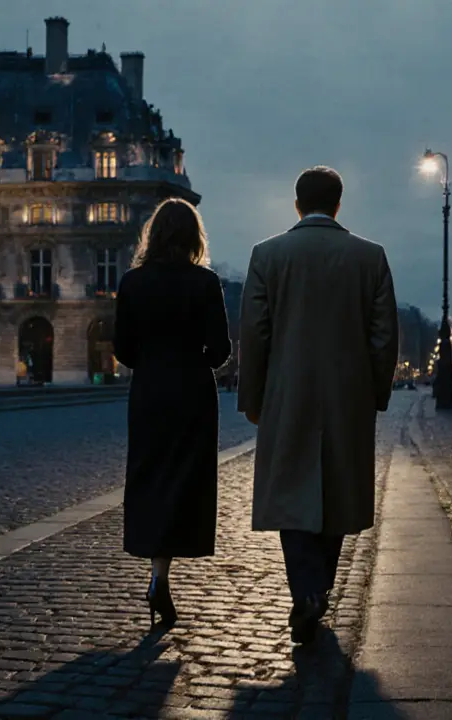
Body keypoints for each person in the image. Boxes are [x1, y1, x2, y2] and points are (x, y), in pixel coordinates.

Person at [238, 165, 399, 645]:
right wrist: (376, 393)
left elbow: (254, 333)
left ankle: (306, 589)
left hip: (288, 393)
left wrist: (254, 398)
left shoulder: (267, 255)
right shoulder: (371, 257)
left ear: (296, 204)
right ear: (338, 204)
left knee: (293, 495)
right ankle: (320, 586)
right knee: (338, 492)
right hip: (348, 395)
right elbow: (384, 335)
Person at [114, 197, 232, 628]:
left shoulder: (131, 282)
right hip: (192, 391)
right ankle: (163, 574)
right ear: (192, 237)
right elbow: (220, 349)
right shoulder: (205, 282)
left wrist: (151, 357)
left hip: (148, 389)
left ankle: (155, 569)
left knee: (149, 475)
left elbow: (122, 349)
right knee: (186, 479)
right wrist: (194, 355)